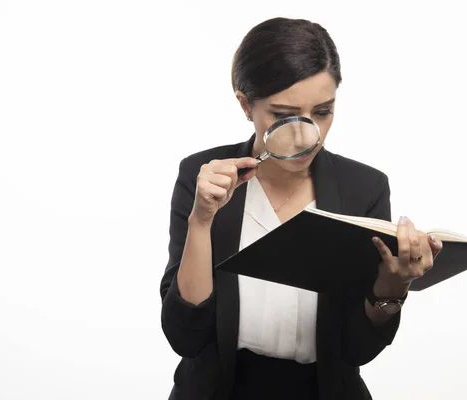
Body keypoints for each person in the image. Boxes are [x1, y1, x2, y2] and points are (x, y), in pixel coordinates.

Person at [160, 17, 443, 400]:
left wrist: (394, 286)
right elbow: (185, 336)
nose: (306, 135)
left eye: (323, 112)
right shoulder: (202, 176)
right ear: (246, 104)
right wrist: (201, 220)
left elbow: (357, 350)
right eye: (281, 115)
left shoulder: (365, 188)